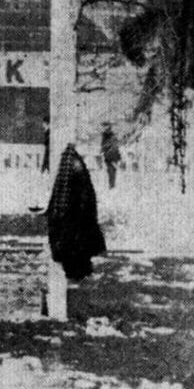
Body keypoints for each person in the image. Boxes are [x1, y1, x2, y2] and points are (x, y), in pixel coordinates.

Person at [47, 143, 106, 282]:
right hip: (75, 222)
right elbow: (82, 196)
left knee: (73, 250)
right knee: (76, 250)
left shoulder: (69, 163)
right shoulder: (75, 163)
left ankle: (76, 275)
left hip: (71, 222)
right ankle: (77, 275)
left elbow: (64, 197)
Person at [100, 121, 121, 189]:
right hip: (110, 155)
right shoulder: (105, 134)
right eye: (104, 126)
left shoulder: (109, 135)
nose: (104, 128)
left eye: (105, 126)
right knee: (111, 170)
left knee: (112, 170)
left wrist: (104, 148)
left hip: (112, 154)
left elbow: (112, 143)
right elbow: (104, 144)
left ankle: (112, 185)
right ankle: (111, 184)